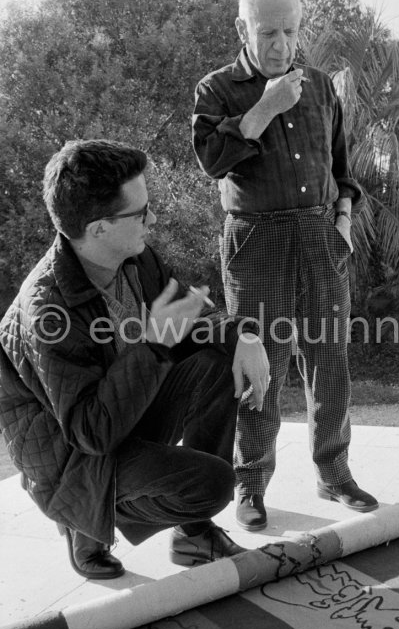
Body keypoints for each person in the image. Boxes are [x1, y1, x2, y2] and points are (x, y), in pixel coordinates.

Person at [0, 139, 270, 579]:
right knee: (213, 484)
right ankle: (83, 521)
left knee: (215, 364)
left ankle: (193, 535)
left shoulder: (135, 258)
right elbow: (91, 432)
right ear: (99, 228)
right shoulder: (48, 311)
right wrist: (155, 346)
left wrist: (244, 335)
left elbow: (191, 317)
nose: (153, 219)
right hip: (74, 458)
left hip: (123, 411)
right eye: (141, 213)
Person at [193, 0, 379, 533]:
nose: (281, 44)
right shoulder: (216, 89)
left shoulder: (320, 85)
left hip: (321, 234)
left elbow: (342, 169)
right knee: (259, 365)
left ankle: (335, 473)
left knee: (330, 360)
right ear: (242, 29)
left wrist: (342, 221)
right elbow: (212, 159)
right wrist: (266, 107)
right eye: (268, 32)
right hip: (256, 240)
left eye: (291, 31)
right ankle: (250, 483)